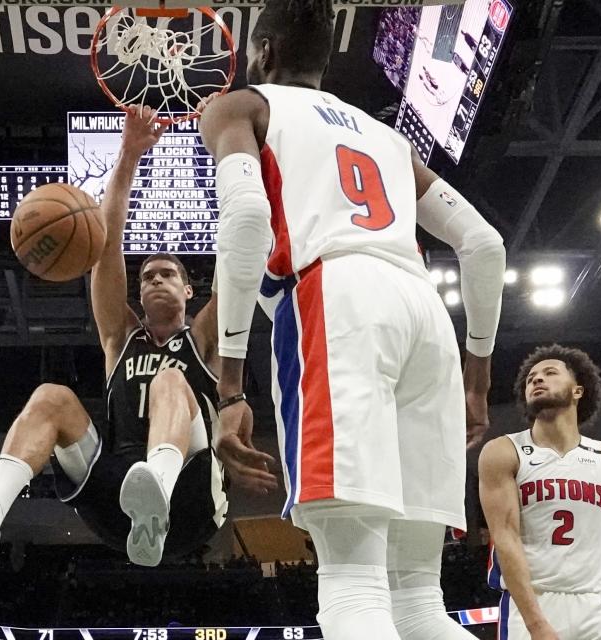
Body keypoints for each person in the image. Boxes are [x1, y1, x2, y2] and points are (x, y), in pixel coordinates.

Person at [197, 0, 506, 637]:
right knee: (419, 600)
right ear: (323, 61)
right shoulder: (388, 138)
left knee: (352, 582)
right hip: (426, 314)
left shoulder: (241, 105)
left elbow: (248, 221)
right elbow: (483, 244)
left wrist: (229, 385)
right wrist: (477, 378)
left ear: (265, 53)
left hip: (337, 301)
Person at [0, 105, 232, 570]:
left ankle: (157, 498)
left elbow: (239, 264)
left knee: (170, 381)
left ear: (190, 290)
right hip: (115, 503)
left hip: (191, 499)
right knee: (51, 396)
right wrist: (127, 156)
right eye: (147, 276)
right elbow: (108, 245)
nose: (155, 280)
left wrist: (237, 165)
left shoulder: (206, 337)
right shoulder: (120, 337)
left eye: (168, 274)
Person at [479, 344, 601, 640]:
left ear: (578, 391)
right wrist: (536, 624)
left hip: (599, 604)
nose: (537, 379)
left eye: (550, 373)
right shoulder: (504, 451)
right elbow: (506, 539)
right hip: (534, 602)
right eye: (531, 377)